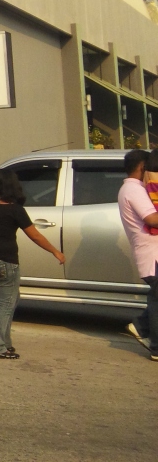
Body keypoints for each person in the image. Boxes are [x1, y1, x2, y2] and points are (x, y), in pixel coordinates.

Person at [0, 168, 65, 359]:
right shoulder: (15, 209)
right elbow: (35, 236)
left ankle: (5, 342)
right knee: (6, 303)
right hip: (7, 262)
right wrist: (55, 251)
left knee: (12, 299)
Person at [118, 148, 158, 360]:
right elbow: (151, 219)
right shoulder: (134, 190)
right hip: (152, 255)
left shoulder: (136, 189)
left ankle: (141, 325)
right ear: (143, 167)